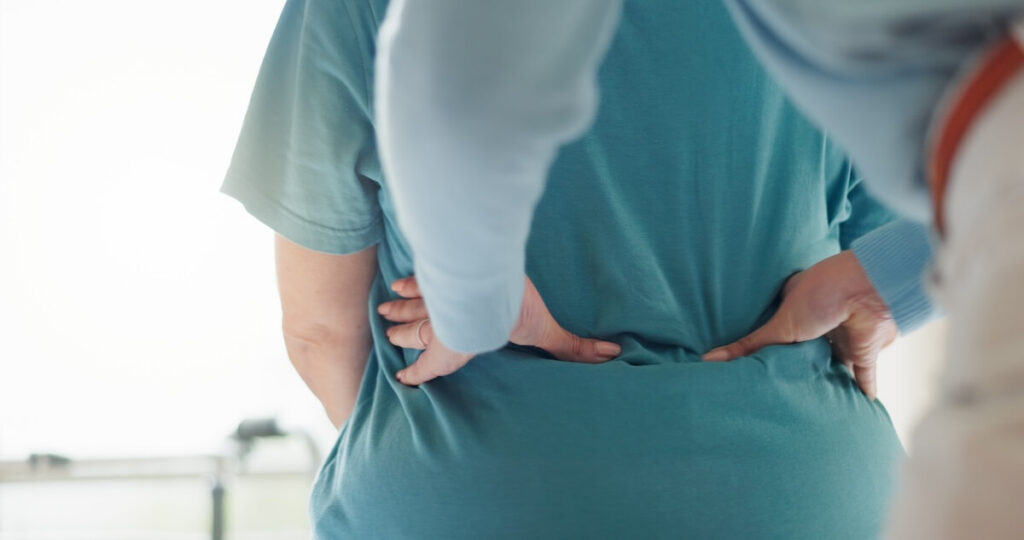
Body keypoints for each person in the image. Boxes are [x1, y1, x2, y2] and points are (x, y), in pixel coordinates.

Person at [223, 0, 931, 537]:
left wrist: (469, 311)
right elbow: (959, 207)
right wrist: (879, 285)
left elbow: (320, 331)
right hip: (802, 495)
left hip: (475, 496)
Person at [375, 1, 1024, 537]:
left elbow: (455, 89)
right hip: (817, 486)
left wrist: (476, 306)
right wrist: (891, 275)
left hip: (482, 488)